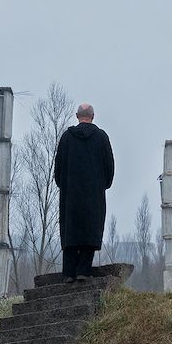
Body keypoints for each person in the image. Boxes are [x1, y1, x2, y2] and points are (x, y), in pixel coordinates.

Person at [52, 102, 115, 280]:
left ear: (77, 116)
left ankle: (69, 273)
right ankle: (83, 271)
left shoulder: (66, 138)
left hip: (70, 195)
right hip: (94, 195)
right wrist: (103, 184)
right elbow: (109, 166)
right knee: (90, 230)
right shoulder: (101, 138)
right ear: (93, 117)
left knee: (70, 231)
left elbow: (58, 169)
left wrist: (64, 185)